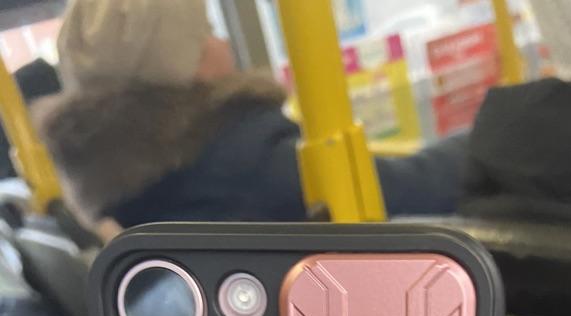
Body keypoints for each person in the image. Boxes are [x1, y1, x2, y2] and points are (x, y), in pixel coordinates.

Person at [34, 0, 467, 229]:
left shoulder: (128, 179)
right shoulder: (244, 158)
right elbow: (409, 190)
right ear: (186, 64)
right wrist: (480, 138)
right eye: (208, 32)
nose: (223, 42)